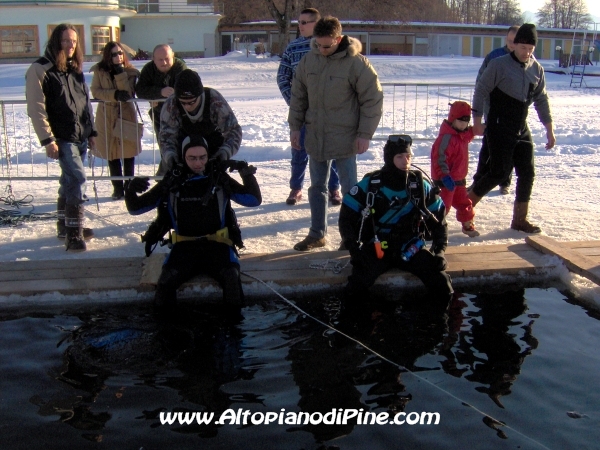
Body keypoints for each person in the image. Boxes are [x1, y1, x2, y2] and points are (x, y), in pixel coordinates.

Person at [124, 135, 262, 309]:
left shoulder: (218, 178)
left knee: (232, 281)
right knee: (165, 285)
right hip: (184, 248)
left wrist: (245, 172)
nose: (198, 163)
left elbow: (253, 200)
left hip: (218, 246)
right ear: (183, 157)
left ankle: (234, 333)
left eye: (202, 157)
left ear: (208, 156)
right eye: (192, 158)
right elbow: (135, 209)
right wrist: (130, 189)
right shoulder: (173, 181)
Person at [288, 16, 383, 251]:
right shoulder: (309, 61)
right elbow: (298, 97)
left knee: (351, 189)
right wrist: (295, 126)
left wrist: (365, 134)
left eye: (327, 45)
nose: (322, 49)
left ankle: (351, 236)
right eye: (318, 45)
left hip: (346, 137)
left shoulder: (356, 63)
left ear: (339, 39)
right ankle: (316, 234)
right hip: (316, 136)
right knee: (316, 187)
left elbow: (372, 99)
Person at [339, 135, 453, 307]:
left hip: (410, 248)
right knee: (356, 287)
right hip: (378, 248)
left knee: (442, 284)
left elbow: (439, 221)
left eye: (408, 156)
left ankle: (437, 329)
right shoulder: (371, 185)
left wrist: (439, 252)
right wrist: (354, 248)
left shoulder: (421, 186)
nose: (405, 161)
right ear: (389, 159)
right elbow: (346, 217)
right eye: (399, 156)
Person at [469, 23, 555, 234]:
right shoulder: (499, 65)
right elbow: (481, 89)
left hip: (520, 126)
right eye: (523, 47)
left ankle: (519, 220)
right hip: (499, 124)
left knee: (528, 172)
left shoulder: (537, 69)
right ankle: (465, 206)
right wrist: (477, 119)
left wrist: (549, 128)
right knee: (498, 172)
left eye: (530, 49)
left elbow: (541, 99)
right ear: (515, 45)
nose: (527, 52)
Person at [25, 23, 97, 251]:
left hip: (80, 135)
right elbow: (36, 107)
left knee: (68, 181)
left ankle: (65, 226)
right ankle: (74, 234)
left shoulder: (74, 69)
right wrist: (47, 139)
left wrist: (92, 130)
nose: (70, 45)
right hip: (61, 137)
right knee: (77, 179)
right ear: (56, 41)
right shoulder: (40, 69)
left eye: (74, 41)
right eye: (66, 40)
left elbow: (85, 103)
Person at [277, 7, 341, 206]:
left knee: (332, 152)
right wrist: (295, 103)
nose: (300, 26)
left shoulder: (332, 46)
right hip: (303, 113)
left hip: (329, 113)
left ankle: (334, 188)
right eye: (299, 22)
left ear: (316, 23)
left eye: (305, 22)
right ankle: (296, 188)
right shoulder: (293, 48)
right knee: (299, 150)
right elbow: (282, 77)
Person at [158, 69, 242, 170]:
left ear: (200, 95)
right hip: (183, 150)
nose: (187, 107)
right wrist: (170, 157)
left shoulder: (214, 100)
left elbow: (233, 130)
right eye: (183, 103)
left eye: (191, 102)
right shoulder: (171, 104)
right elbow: (166, 137)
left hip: (213, 148)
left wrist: (224, 153)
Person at [90, 41, 141, 200]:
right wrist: (113, 95)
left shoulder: (130, 72)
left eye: (120, 53)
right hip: (107, 115)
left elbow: (127, 92)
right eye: (114, 54)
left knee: (128, 153)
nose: (118, 56)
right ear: (107, 56)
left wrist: (120, 73)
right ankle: (117, 189)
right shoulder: (100, 71)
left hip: (125, 114)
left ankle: (129, 187)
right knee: (112, 153)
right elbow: (96, 91)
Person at [472, 25, 519, 195]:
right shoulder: (494, 56)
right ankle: (479, 181)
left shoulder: (524, 59)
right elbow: (480, 81)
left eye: (516, 41)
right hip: (492, 109)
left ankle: (505, 181)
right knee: (488, 145)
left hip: (513, 113)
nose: (513, 44)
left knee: (509, 147)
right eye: (510, 41)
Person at [135, 44, 187, 173]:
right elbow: (140, 90)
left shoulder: (180, 67)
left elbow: (186, 87)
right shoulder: (148, 69)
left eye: (167, 59)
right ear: (153, 59)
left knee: (180, 145)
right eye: (160, 59)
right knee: (165, 146)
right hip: (159, 116)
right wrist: (159, 93)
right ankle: (166, 176)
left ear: (173, 56)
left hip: (180, 115)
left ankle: (171, 175)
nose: (164, 62)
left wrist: (173, 94)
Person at [431, 101, 479, 237]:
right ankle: (433, 225)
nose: (464, 124)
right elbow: (439, 158)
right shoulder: (446, 138)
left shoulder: (463, 135)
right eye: (460, 120)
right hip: (446, 180)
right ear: (453, 119)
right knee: (443, 205)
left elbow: (473, 132)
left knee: (464, 203)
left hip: (459, 179)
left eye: (466, 120)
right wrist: (444, 175)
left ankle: (468, 224)